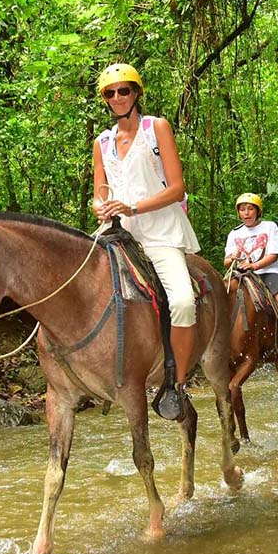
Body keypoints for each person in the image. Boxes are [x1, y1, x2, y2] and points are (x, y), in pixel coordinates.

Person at [92, 63, 198, 421]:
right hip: (116, 231)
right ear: (105, 100)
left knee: (182, 301)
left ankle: (178, 385)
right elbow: (99, 192)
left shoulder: (158, 128)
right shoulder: (102, 142)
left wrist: (133, 205)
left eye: (125, 90)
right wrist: (101, 206)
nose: (118, 97)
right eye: (111, 92)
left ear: (137, 93)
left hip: (159, 231)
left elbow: (177, 188)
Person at [224, 192, 278, 363]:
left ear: (258, 211)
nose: (246, 213)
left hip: (268, 272)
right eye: (242, 209)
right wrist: (233, 257)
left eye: (250, 209)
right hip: (242, 275)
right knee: (222, 293)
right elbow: (226, 262)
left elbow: (274, 254)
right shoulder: (234, 233)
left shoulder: (269, 226)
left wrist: (254, 266)